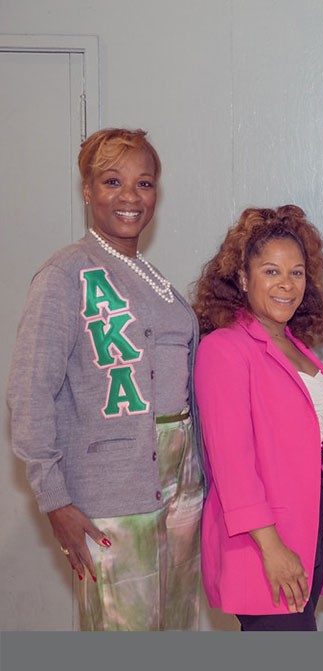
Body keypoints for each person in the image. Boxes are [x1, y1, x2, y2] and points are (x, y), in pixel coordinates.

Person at [7, 128, 204, 631]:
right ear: (88, 191)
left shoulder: (152, 277)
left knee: (176, 624)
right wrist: (55, 500)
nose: (130, 197)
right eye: (112, 181)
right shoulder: (63, 274)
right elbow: (29, 396)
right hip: (113, 497)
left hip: (181, 488)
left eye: (144, 183)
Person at [192, 206, 323, 630]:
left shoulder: (297, 348)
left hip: (310, 532)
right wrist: (273, 548)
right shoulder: (224, 350)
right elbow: (233, 466)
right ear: (243, 279)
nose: (286, 285)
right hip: (265, 547)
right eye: (271, 271)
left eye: (297, 273)